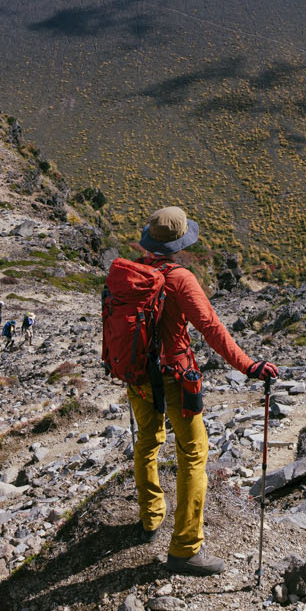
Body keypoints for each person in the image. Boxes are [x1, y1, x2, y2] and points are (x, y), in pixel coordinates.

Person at [112, 206, 277, 576]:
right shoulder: (180, 279)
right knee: (193, 454)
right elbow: (211, 328)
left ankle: (151, 518)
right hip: (175, 378)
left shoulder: (135, 273)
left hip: (138, 376)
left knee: (147, 442)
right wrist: (249, 366)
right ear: (181, 243)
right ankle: (185, 548)